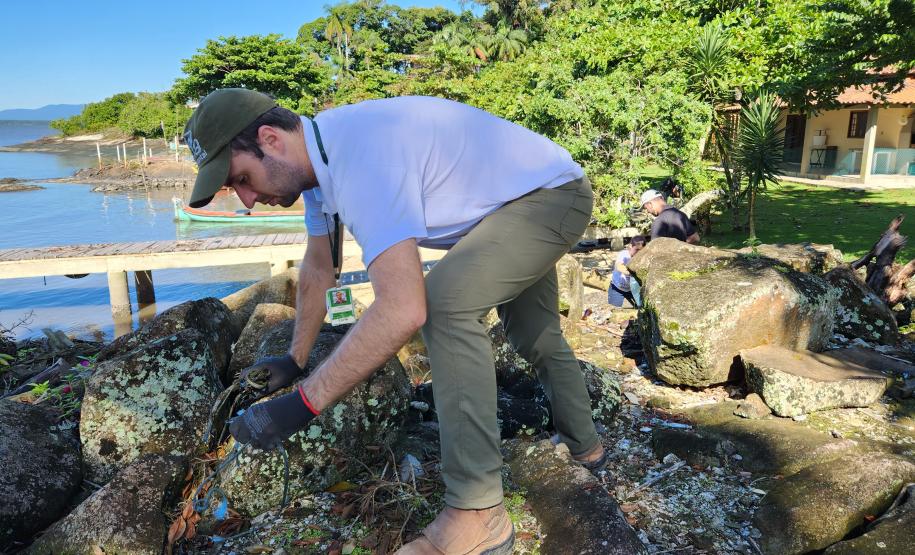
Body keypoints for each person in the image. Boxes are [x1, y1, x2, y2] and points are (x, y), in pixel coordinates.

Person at [183, 89, 604, 555]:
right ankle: (586, 448)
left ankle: (478, 514)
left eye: (242, 178)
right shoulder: (320, 169)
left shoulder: (361, 159)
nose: (246, 199)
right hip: (507, 209)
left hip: (549, 198)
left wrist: (302, 404)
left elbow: (404, 308)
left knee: (445, 307)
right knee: (536, 337)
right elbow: (318, 268)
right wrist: (294, 359)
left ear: (270, 139)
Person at [608, 235, 646, 307]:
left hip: (631, 289)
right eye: (637, 250)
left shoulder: (642, 258)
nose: (638, 253)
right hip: (617, 288)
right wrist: (631, 273)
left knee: (641, 307)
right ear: (631, 246)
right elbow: (619, 266)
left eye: (641, 251)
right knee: (614, 309)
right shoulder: (624, 254)